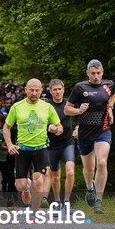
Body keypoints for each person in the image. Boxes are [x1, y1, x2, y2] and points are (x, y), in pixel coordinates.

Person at [65, 59, 115, 214]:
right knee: (89, 169)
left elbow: (113, 94)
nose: (96, 76)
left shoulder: (108, 85)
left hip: (103, 130)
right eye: (93, 73)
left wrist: (111, 107)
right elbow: (67, 110)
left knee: (101, 162)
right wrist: (79, 111)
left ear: (102, 72)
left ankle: (99, 201)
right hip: (85, 133)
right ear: (87, 73)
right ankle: (89, 188)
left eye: (98, 73)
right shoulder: (80, 88)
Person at [3, 78, 63, 210]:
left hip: (40, 149)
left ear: (41, 90)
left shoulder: (47, 107)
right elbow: (6, 127)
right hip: (22, 149)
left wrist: (56, 129)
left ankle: (34, 213)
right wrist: (9, 144)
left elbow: (60, 127)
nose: (34, 93)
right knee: (20, 185)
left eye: (37, 90)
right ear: (26, 90)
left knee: (39, 180)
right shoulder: (17, 107)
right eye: (31, 90)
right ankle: (26, 188)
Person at [45, 78, 76, 209]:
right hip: (52, 146)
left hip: (67, 142)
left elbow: (79, 115)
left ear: (63, 90)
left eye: (60, 89)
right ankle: (57, 201)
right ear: (51, 92)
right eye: (55, 90)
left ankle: (67, 201)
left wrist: (78, 127)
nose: (58, 92)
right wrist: (48, 126)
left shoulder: (69, 103)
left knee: (70, 172)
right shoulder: (46, 106)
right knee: (55, 176)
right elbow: (42, 122)